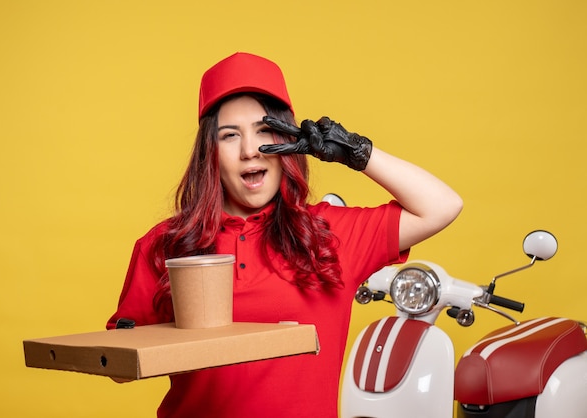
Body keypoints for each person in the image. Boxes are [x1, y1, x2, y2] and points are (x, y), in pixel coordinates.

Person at [107, 51, 463, 418]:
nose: (249, 151)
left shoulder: (328, 235)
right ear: (209, 153)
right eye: (230, 136)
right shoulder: (166, 244)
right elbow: (119, 366)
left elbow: (441, 206)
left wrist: (358, 153)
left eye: (265, 132)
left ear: (290, 143)